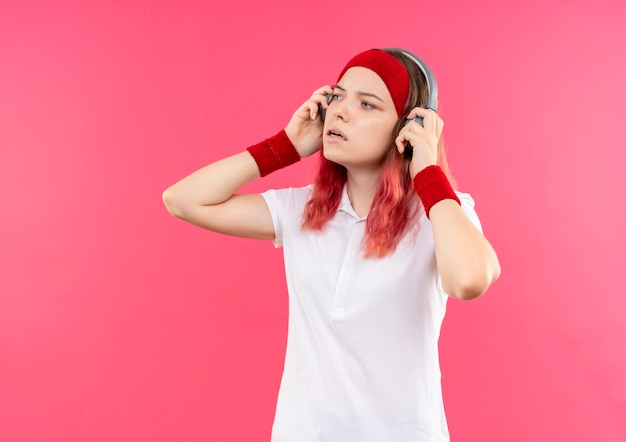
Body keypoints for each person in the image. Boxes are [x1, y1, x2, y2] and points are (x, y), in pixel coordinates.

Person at [162, 48, 501, 442]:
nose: (339, 112)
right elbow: (182, 200)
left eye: (367, 104)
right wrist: (282, 146)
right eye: (337, 96)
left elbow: (470, 280)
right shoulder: (302, 210)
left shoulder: (440, 212)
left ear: (408, 128)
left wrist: (427, 170)